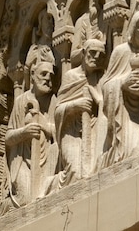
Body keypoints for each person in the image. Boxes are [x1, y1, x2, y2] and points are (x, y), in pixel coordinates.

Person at [100, 0, 139, 167]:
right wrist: (122, 83)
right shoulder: (121, 52)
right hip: (126, 114)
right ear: (133, 27)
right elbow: (107, 85)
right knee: (131, 149)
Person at [0, 47, 57, 214]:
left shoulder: (53, 101)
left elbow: (59, 132)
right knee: (25, 200)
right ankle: (2, 213)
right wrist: (25, 132)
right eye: (43, 74)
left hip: (48, 159)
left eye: (51, 76)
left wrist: (44, 125)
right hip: (23, 161)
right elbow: (8, 137)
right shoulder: (21, 101)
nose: (48, 79)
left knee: (46, 197)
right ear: (32, 75)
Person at [52, 38, 108, 187]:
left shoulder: (101, 77)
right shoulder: (71, 76)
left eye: (101, 55)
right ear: (83, 53)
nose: (96, 57)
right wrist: (76, 105)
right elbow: (57, 111)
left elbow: (107, 105)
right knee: (75, 172)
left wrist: (100, 101)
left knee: (98, 166)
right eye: (92, 53)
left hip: (94, 126)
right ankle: (50, 184)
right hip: (71, 131)